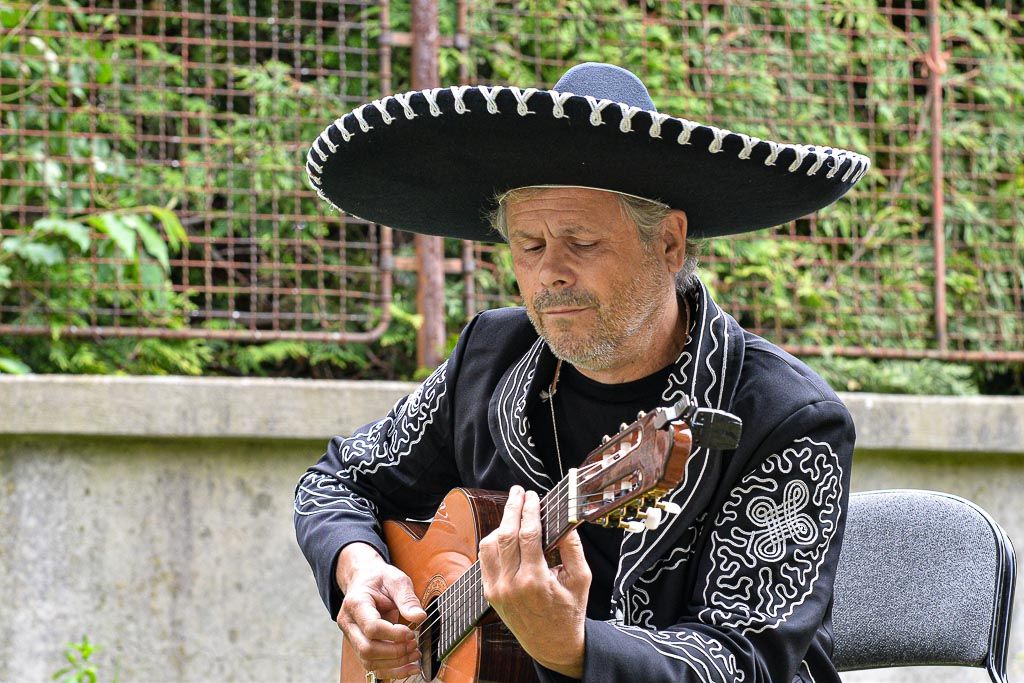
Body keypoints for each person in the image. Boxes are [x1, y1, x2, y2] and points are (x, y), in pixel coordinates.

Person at [295, 62, 870, 682]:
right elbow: (337, 481)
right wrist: (359, 569)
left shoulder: (783, 415)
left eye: (583, 243)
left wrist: (574, 648)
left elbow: (747, 661)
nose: (551, 273)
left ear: (669, 243)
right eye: (529, 246)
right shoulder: (491, 356)